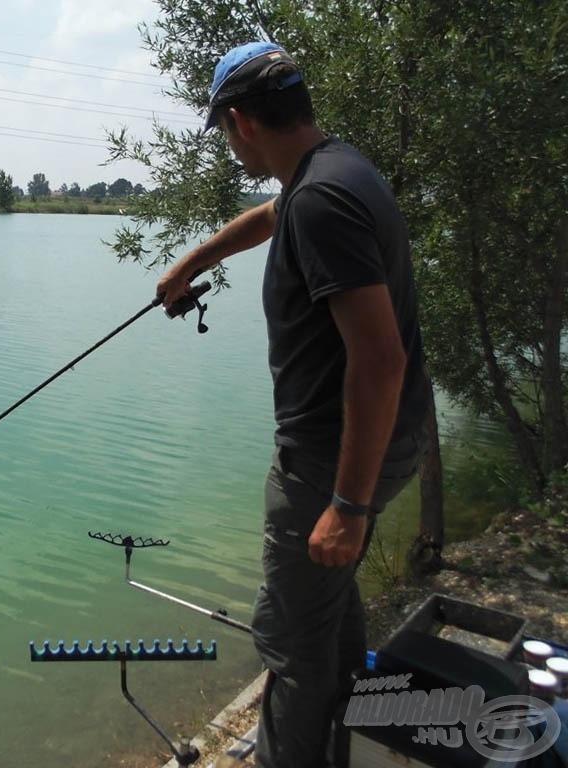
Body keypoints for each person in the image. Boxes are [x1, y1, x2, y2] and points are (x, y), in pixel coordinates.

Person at [158, 42, 429, 768]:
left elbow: (379, 360)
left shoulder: (321, 201)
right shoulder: (335, 171)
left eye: (222, 131)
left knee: (292, 653)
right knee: (326, 618)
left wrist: (347, 502)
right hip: (378, 446)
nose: (227, 145)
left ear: (240, 121)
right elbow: (274, 215)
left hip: (328, 467)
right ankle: (346, 743)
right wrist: (194, 261)